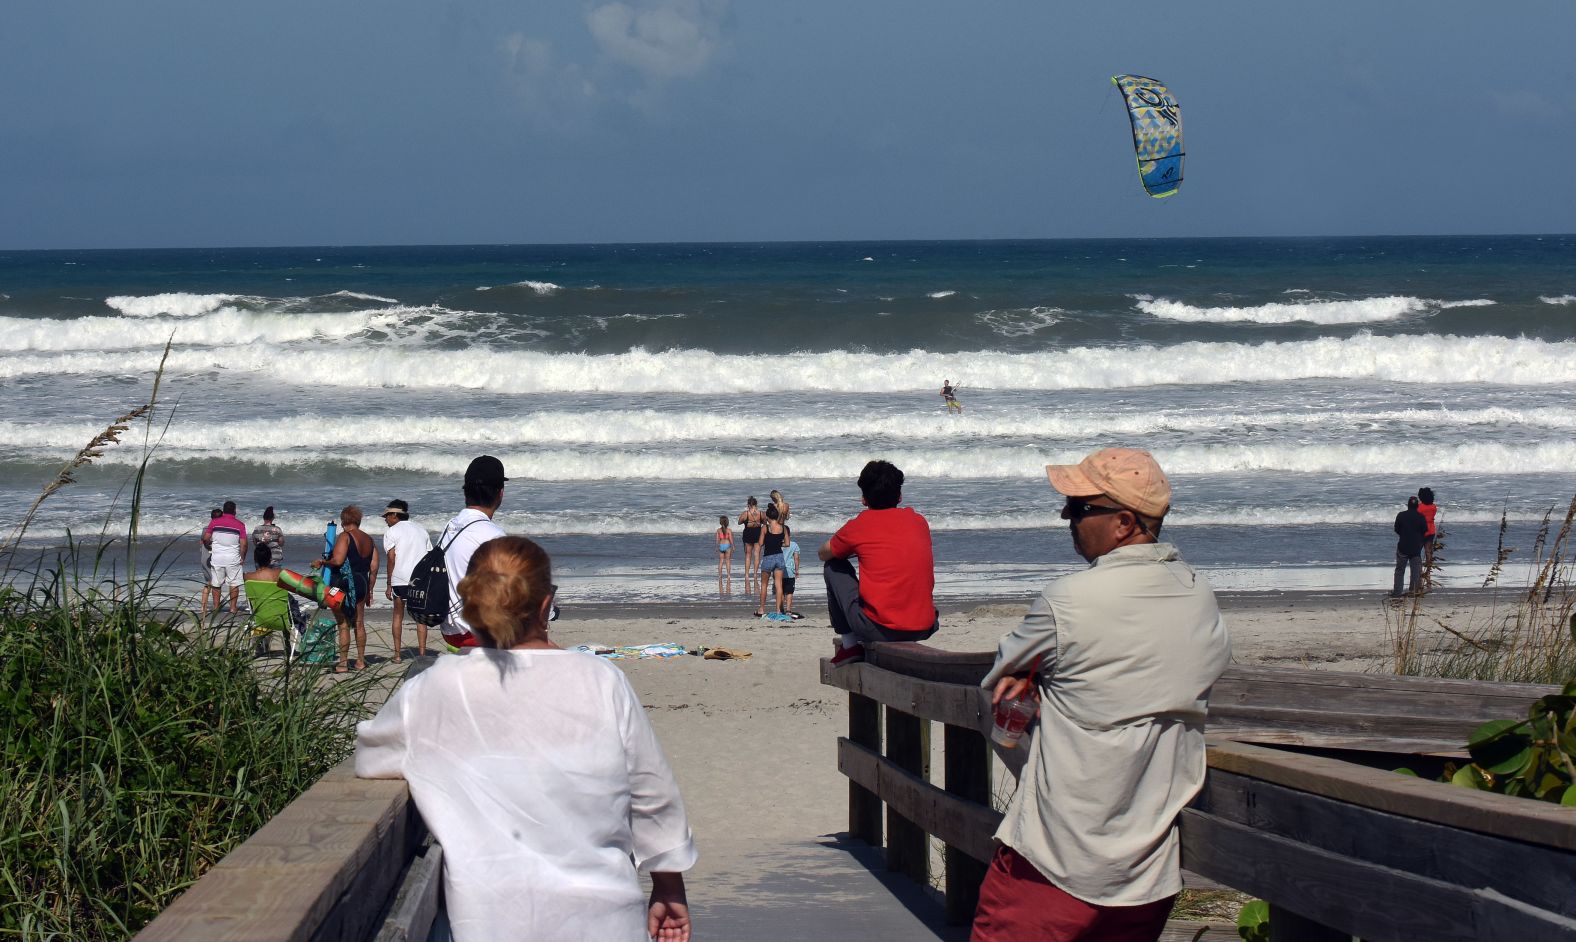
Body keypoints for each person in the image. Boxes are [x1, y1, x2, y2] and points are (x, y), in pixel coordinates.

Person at [355, 537, 697, 942]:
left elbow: (369, 756)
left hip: (487, 925)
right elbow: (652, 792)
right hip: (604, 921)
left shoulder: (434, 690)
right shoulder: (602, 681)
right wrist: (669, 884)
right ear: (544, 605)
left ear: (471, 604)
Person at [971, 448, 1231, 942]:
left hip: (1053, 856)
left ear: (1124, 522)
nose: (1066, 516)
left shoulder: (1067, 601)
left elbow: (999, 683)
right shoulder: (1198, 594)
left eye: (1080, 507)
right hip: (1147, 867)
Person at [819, 459, 937, 665]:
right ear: (899, 496)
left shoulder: (859, 526)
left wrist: (850, 551)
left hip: (880, 629)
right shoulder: (919, 521)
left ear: (864, 499)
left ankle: (850, 646)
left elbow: (824, 553)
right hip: (924, 625)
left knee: (833, 566)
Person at [437, 455, 509, 651]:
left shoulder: (450, 526)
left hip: (450, 632)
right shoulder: (492, 535)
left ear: (465, 492)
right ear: (500, 493)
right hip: (477, 635)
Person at [317, 504, 379, 672]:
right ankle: (360, 661)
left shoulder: (345, 536)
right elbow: (374, 568)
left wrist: (322, 562)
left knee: (343, 624)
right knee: (359, 623)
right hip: (362, 583)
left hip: (345, 582)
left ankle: (343, 663)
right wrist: (370, 591)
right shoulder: (369, 540)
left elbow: (337, 560)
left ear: (344, 520)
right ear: (358, 520)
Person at [382, 499, 433, 663]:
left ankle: (397, 655)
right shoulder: (421, 530)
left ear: (395, 515)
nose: (385, 519)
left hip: (400, 578)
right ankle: (422, 654)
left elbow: (391, 559)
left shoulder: (392, 531)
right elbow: (429, 557)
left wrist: (389, 584)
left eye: (387, 516)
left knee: (397, 616)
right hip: (420, 580)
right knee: (420, 617)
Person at [202, 500, 248, 615]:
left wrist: (209, 547)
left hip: (217, 557)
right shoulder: (240, 525)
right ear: (234, 511)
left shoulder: (214, 522)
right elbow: (244, 544)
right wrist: (243, 557)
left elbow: (206, 538)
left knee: (216, 584)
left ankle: (216, 608)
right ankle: (232, 608)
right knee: (234, 584)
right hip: (233, 558)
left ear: (223, 510)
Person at [1392, 495, 1429, 598]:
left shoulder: (1401, 515)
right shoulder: (1421, 517)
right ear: (1417, 506)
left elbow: (1397, 529)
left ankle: (1397, 592)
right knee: (1415, 571)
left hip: (1403, 546)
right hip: (1416, 548)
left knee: (1400, 570)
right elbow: (1424, 531)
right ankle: (1413, 591)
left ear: (1408, 505)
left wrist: (1404, 535)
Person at [756, 504, 788, 618]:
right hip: (779, 556)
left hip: (768, 557)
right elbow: (787, 543)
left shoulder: (765, 528)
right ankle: (778, 610)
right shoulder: (783, 527)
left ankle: (761, 609)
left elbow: (760, 543)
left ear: (768, 517)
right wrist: (779, 543)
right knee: (779, 585)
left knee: (764, 584)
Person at [739, 497, 764, 593]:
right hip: (758, 533)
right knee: (757, 554)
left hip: (748, 533)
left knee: (748, 555)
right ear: (756, 504)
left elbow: (739, 522)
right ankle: (755, 574)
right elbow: (764, 522)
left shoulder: (746, 513)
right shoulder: (761, 513)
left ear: (748, 504)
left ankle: (746, 574)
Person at [199, 507, 221, 612]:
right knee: (214, 583)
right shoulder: (214, 529)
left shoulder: (206, 528)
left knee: (208, 583)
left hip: (204, 557)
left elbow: (202, 542)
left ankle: (203, 606)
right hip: (209, 558)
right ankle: (215, 607)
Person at [781, 530, 803, 620]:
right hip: (790, 571)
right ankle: (788, 609)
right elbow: (796, 558)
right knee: (789, 592)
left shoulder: (778, 544)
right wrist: (797, 570)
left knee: (781, 591)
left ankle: (781, 609)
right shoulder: (794, 545)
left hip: (779, 570)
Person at [1417, 486, 1440, 568]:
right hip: (1431, 530)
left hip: (1421, 531)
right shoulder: (1433, 507)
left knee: (1417, 551)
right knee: (1428, 551)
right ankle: (1428, 569)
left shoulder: (1419, 507)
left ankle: (1418, 568)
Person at [715, 515, 733, 587]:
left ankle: (720, 575)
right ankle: (728, 575)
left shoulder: (718, 530)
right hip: (727, 546)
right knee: (728, 561)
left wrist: (717, 547)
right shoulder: (729, 530)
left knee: (721, 561)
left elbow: (717, 540)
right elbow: (731, 539)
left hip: (721, 546)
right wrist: (733, 546)